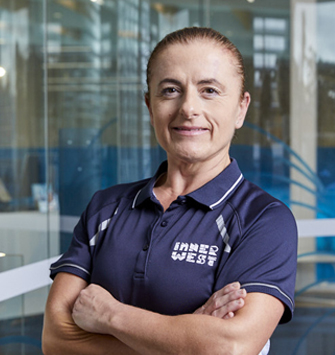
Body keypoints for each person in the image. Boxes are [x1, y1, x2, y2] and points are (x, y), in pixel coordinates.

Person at [42, 27, 297, 355]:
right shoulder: (105, 207)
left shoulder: (263, 221)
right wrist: (187, 337)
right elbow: (56, 340)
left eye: (209, 90)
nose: (189, 108)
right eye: (171, 90)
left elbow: (230, 347)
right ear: (150, 106)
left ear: (240, 108)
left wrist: (109, 315)